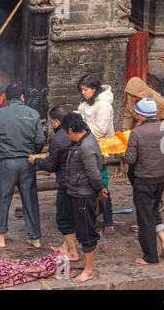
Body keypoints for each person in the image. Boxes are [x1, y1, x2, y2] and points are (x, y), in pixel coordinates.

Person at [0, 83, 45, 249]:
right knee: (30, 200)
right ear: (22, 96)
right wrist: (32, 154)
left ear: (6, 97)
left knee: (1, 199)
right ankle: (35, 238)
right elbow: (40, 141)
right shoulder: (33, 114)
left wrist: (3, 150)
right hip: (27, 161)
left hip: (7, 163)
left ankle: (0, 238)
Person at [125, 98, 164, 265]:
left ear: (141, 115)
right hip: (161, 179)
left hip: (143, 181)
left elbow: (131, 160)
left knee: (145, 219)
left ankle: (150, 256)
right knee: (153, 211)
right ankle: (163, 245)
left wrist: (124, 154)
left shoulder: (137, 133)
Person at [29, 106, 79, 261]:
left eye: (52, 122)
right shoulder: (81, 132)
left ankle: (73, 252)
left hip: (66, 182)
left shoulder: (57, 138)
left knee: (64, 218)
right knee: (73, 215)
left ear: (57, 121)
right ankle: (65, 246)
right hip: (81, 180)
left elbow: (50, 166)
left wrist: (36, 160)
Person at [61, 113, 105, 283]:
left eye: (66, 132)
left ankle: (88, 271)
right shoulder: (85, 139)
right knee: (83, 229)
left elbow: (94, 173)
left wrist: (100, 189)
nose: (66, 135)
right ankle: (87, 265)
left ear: (71, 130)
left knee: (87, 232)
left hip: (83, 195)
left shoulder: (85, 146)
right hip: (79, 191)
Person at [76, 74, 115, 235]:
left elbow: (100, 130)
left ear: (94, 89)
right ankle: (90, 218)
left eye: (85, 90)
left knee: (101, 184)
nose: (83, 93)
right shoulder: (85, 103)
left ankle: (108, 222)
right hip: (86, 148)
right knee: (90, 184)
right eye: (81, 90)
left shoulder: (104, 105)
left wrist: (81, 124)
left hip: (99, 151)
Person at [122, 77, 164, 170]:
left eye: (135, 96)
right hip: (147, 121)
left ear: (141, 93)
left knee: (161, 132)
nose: (133, 98)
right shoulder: (132, 97)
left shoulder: (156, 101)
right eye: (131, 95)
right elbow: (127, 115)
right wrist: (125, 129)